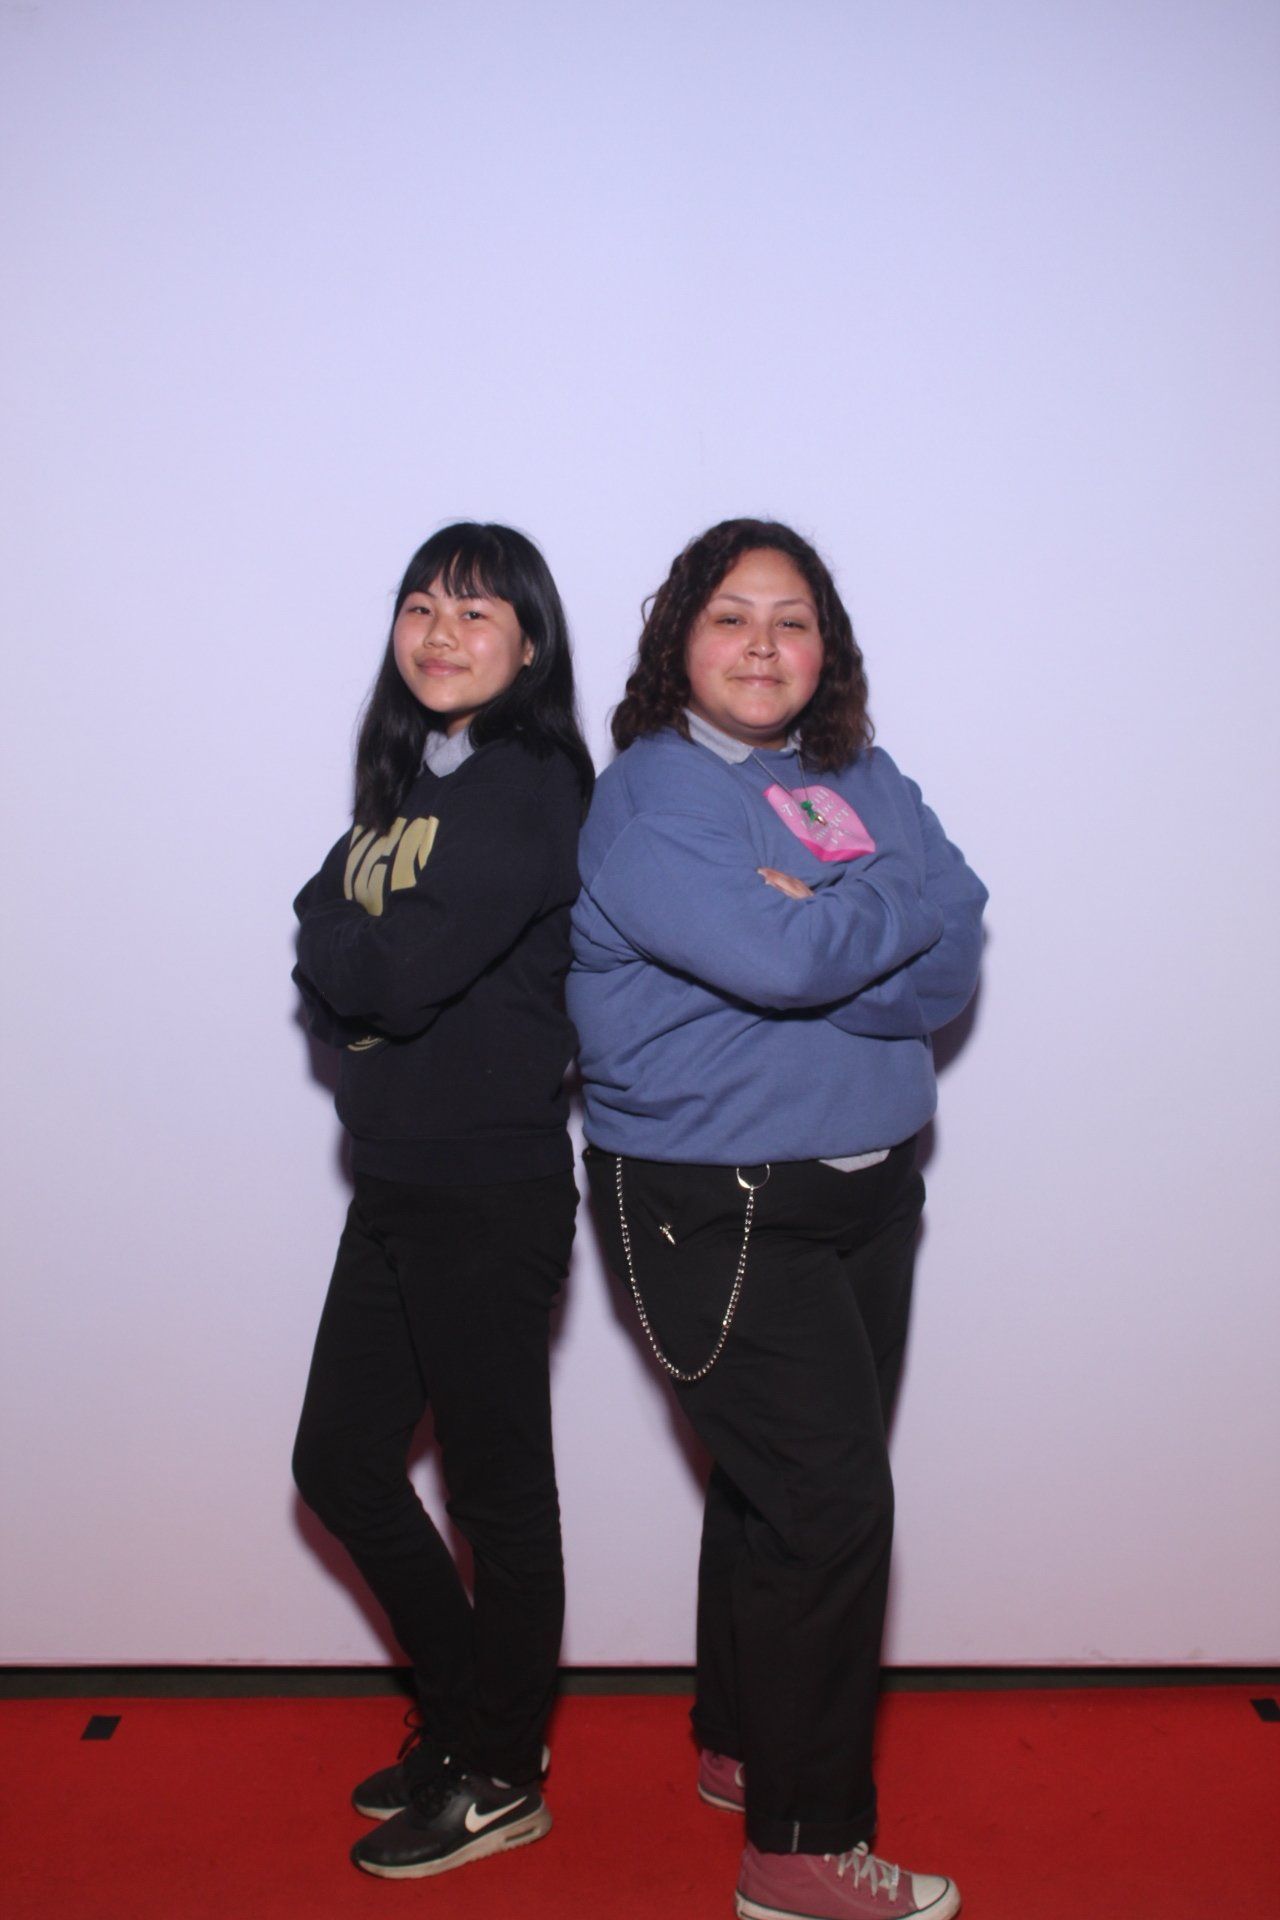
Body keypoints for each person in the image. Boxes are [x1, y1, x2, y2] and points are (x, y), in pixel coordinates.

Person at [569, 519, 986, 1920]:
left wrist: (843, 920)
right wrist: (876, 914)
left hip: (871, 1192)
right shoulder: (653, 797)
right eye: (731, 616)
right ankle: (800, 1851)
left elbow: (955, 934)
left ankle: (748, 1742)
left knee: (777, 1490)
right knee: (825, 1503)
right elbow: (779, 955)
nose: (763, 645)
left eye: (792, 619)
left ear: (828, 646)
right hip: (718, 1201)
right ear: (679, 639)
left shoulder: (859, 771)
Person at [291, 522, 593, 1881]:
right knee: (340, 1463)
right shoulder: (415, 780)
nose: (440, 633)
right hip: (399, 1181)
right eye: (420, 606)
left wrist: (356, 961)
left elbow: (391, 975)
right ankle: (472, 1718)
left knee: (498, 1499)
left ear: (529, 644)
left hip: (486, 1188)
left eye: (476, 612)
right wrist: (355, 960)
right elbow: (319, 925)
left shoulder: (530, 782)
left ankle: (503, 1774)